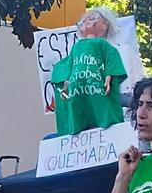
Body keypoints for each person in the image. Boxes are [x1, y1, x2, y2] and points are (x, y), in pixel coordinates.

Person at [51, 7, 128, 135]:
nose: (86, 22)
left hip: (97, 86)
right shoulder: (77, 47)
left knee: (100, 106)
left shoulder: (103, 45)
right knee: (77, 107)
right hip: (76, 87)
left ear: (104, 26)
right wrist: (65, 83)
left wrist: (109, 78)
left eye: (92, 19)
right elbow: (70, 64)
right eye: (83, 21)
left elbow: (111, 59)